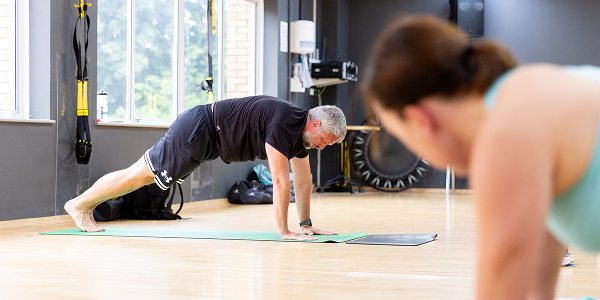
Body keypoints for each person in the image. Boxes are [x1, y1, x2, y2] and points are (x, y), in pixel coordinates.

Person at [363, 15, 600, 299]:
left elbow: (503, 287)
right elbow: (539, 283)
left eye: (402, 136)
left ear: (419, 120)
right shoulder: (528, 95)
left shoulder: (505, 133)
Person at [64, 95, 346, 241]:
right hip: (199, 130)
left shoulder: (302, 137)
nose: (322, 147)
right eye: (325, 141)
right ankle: (79, 205)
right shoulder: (285, 122)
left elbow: (304, 180)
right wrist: (284, 231)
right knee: (138, 176)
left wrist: (306, 225)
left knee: (137, 174)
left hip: (207, 140)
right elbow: (280, 181)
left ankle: (84, 205)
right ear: (316, 124)